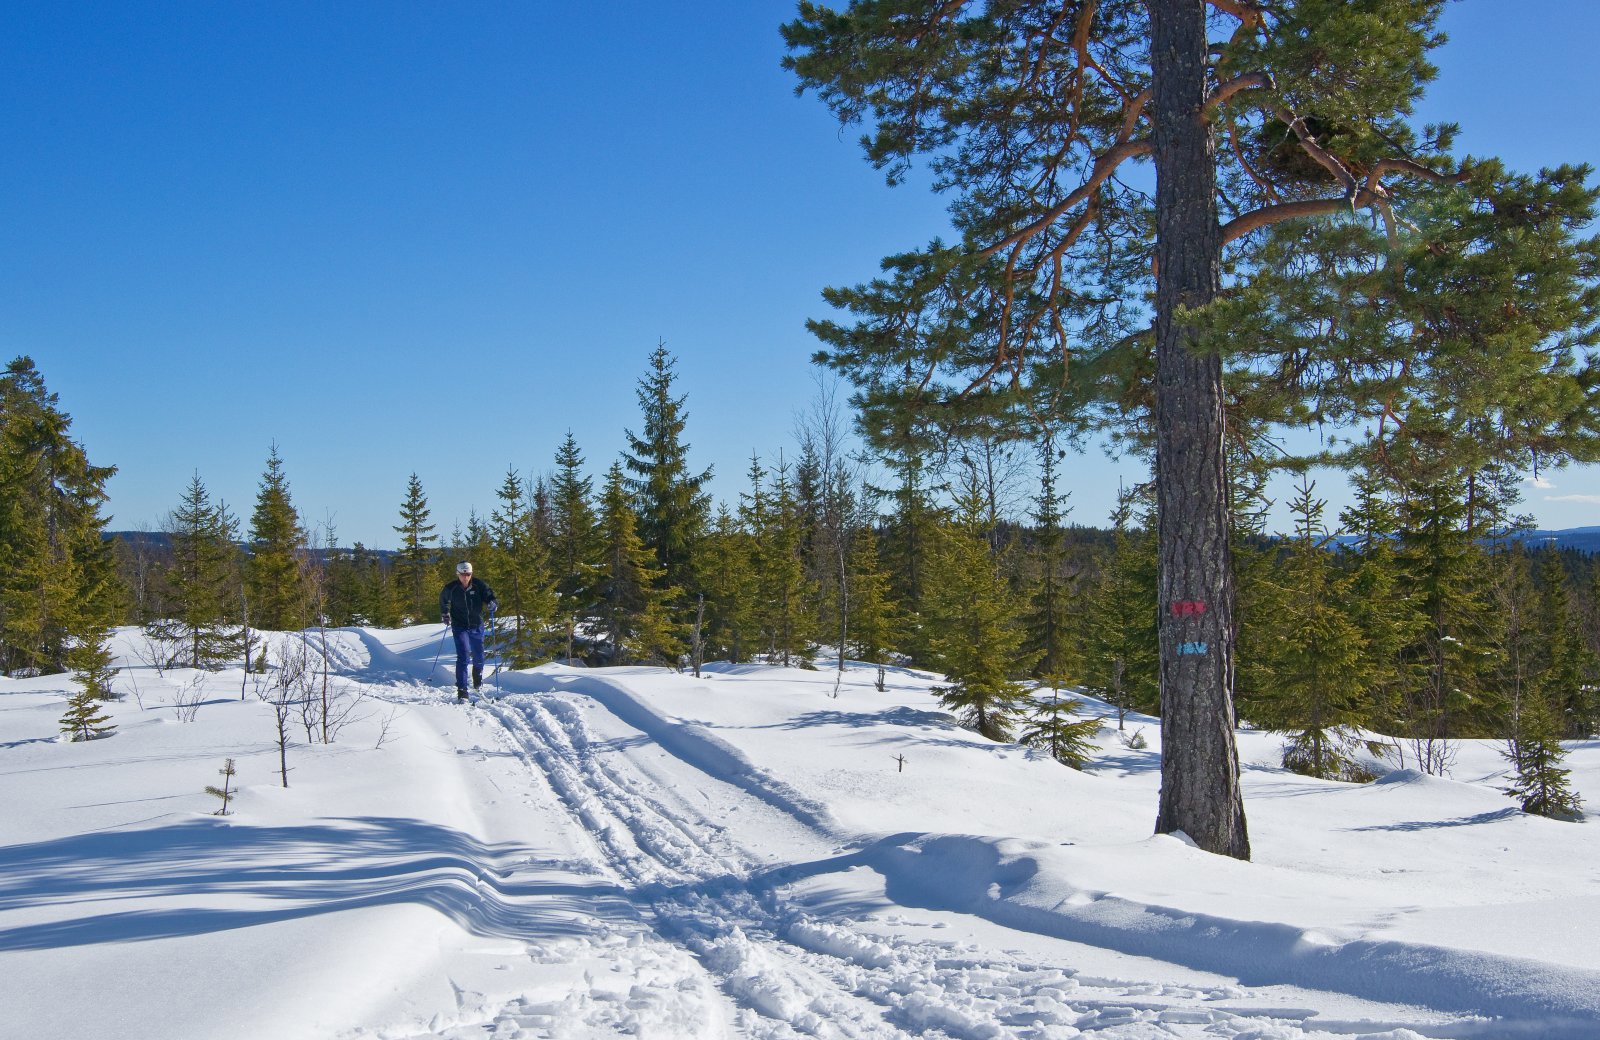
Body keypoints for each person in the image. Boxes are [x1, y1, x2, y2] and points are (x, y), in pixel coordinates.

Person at [440, 561, 497, 701]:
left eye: (468, 574)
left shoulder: (478, 585)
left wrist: (492, 603)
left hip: (476, 625)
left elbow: (489, 595)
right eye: (462, 574)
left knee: (479, 656)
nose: (465, 577)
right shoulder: (451, 588)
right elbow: (444, 600)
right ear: (457, 574)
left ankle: (477, 680)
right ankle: (462, 689)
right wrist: (445, 613)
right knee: (464, 656)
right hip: (460, 627)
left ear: (471, 574)